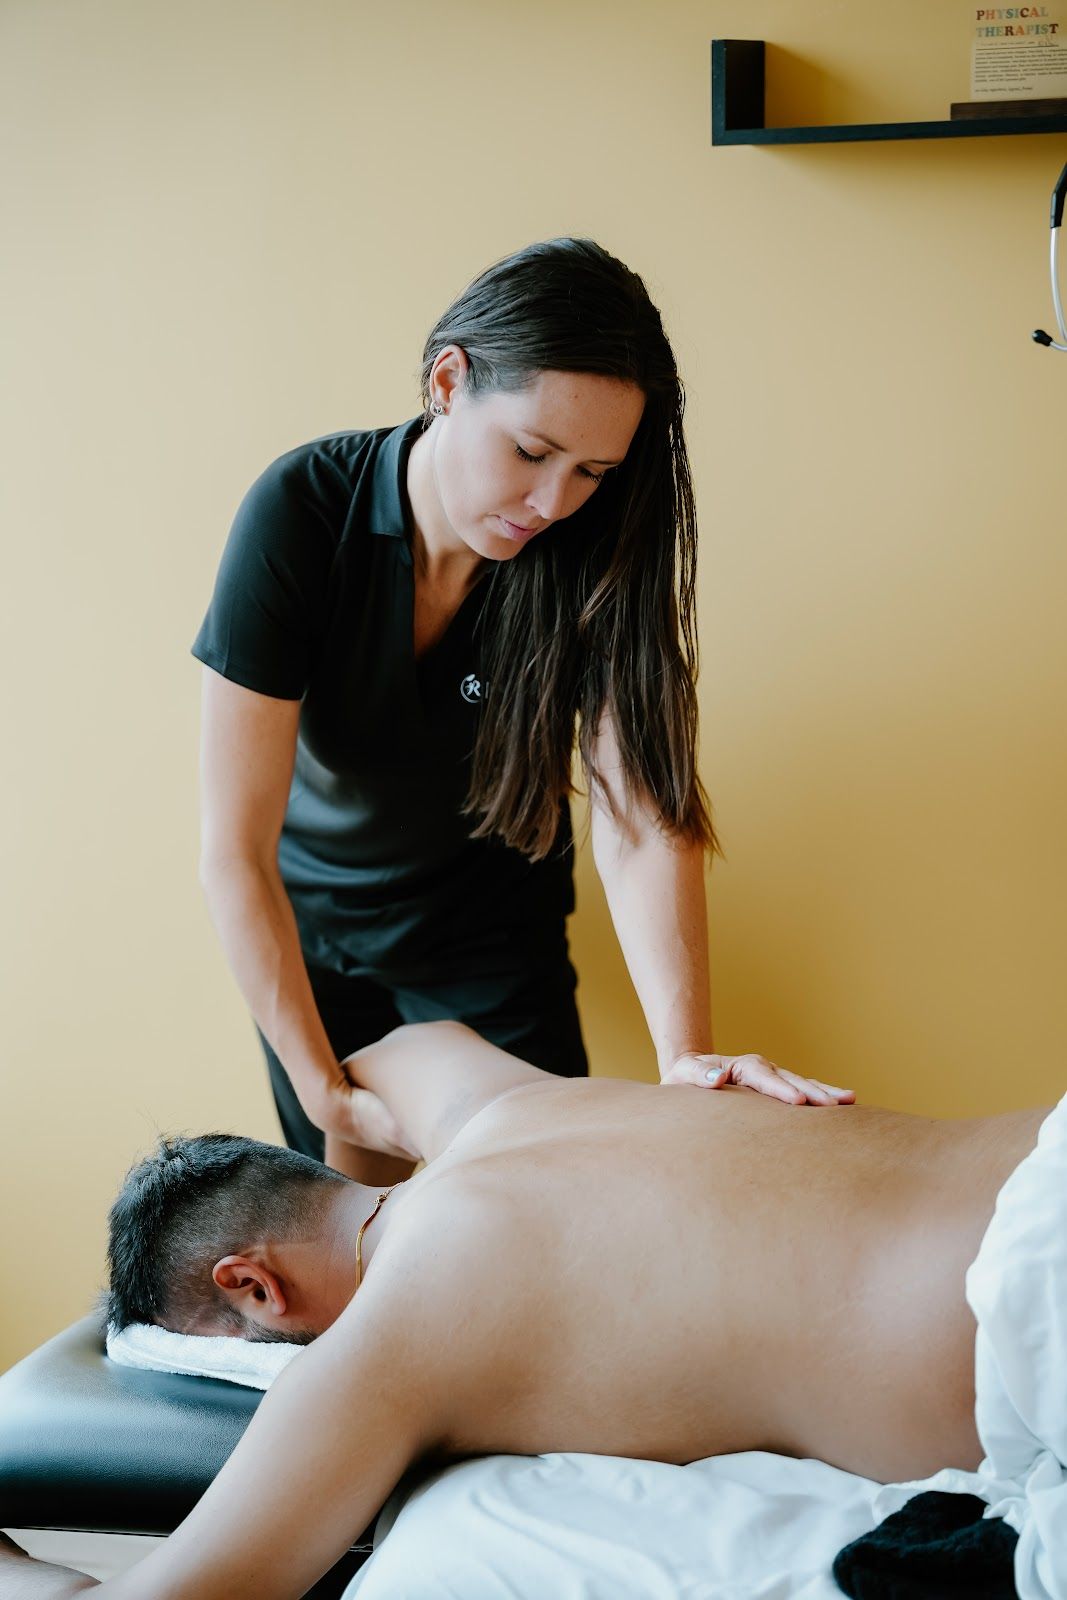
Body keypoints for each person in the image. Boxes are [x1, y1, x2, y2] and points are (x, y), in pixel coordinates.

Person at [191, 235, 854, 1187]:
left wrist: (685, 1058)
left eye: (592, 472)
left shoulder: (593, 550)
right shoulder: (303, 511)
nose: (551, 502)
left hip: (494, 936)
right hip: (314, 932)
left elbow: (639, 814)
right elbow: (234, 851)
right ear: (447, 381)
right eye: (532, 451)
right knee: (350, 1227)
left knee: (535, 1201)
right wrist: (321, 1094)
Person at [0, 1024, 1049, 1600]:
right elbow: (370, 1061)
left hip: (1026, 1323)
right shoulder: (490, 1102)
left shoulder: (385, 1348)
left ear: (253, 1287)